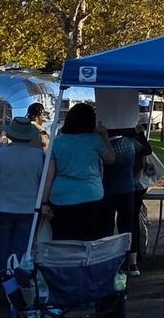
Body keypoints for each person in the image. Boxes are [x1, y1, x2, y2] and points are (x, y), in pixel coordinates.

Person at [0, 117, 46, 270]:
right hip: (28, 210)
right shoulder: (39, 156)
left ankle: (5, 284)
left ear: (9, 135)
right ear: (30, 136)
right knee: (22, 250)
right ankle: (20, 283)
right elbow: (44, 184)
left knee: (2, 249)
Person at [43, 103, 114, 241]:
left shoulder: (57, 142)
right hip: (91, 194)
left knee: (63, 238)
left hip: (61, 196)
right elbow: (111, 159)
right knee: (89, 238)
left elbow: (49, 175)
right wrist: (104, 135)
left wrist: (44, 202)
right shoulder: (94, 141)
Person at [102, 123, 141, 273]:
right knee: (128, 224)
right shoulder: (130, 143)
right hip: (128, 188)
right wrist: (139, 134)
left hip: (108, 189)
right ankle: (133, 263)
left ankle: (109, 261)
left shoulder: (104, 145)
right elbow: (146, 149)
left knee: (107, 226)